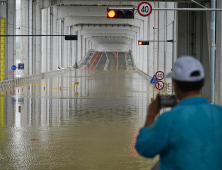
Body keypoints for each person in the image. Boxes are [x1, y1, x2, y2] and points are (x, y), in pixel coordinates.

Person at [135, 56, 222, 170]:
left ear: (174, 84)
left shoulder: (169, 119)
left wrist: (151, 114)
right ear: (203, 82)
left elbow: (145, 148)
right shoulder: (219, 113)